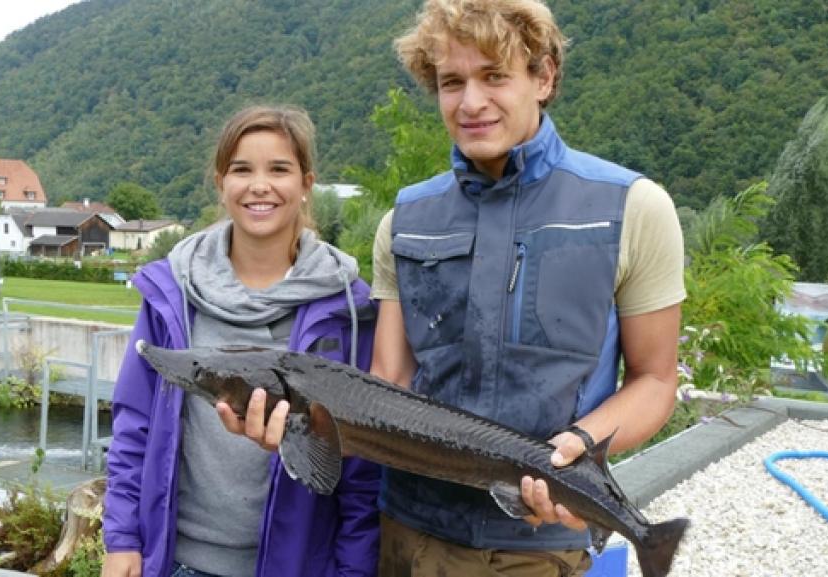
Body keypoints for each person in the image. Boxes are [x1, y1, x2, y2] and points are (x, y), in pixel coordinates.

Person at [368, 1, 686, 575]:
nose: (470, 103)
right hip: (407, 532)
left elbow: (656, 379)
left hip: (538, 546)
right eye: (451, 82)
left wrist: (577, 452)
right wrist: (298, 429)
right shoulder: (404, 219)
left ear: (543, 77)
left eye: (495, 76)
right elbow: (389, 383)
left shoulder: (634, 208)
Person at [101, 105, 381, 577]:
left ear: (307, 184)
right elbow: (135, 425)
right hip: (177, 563)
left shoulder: (348, 309)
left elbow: (362, 470)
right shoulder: (172, 292)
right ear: (220, 182)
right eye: (241, 169)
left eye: (279, 169)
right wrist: (122, 539)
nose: (259, 185)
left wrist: (353, 570)